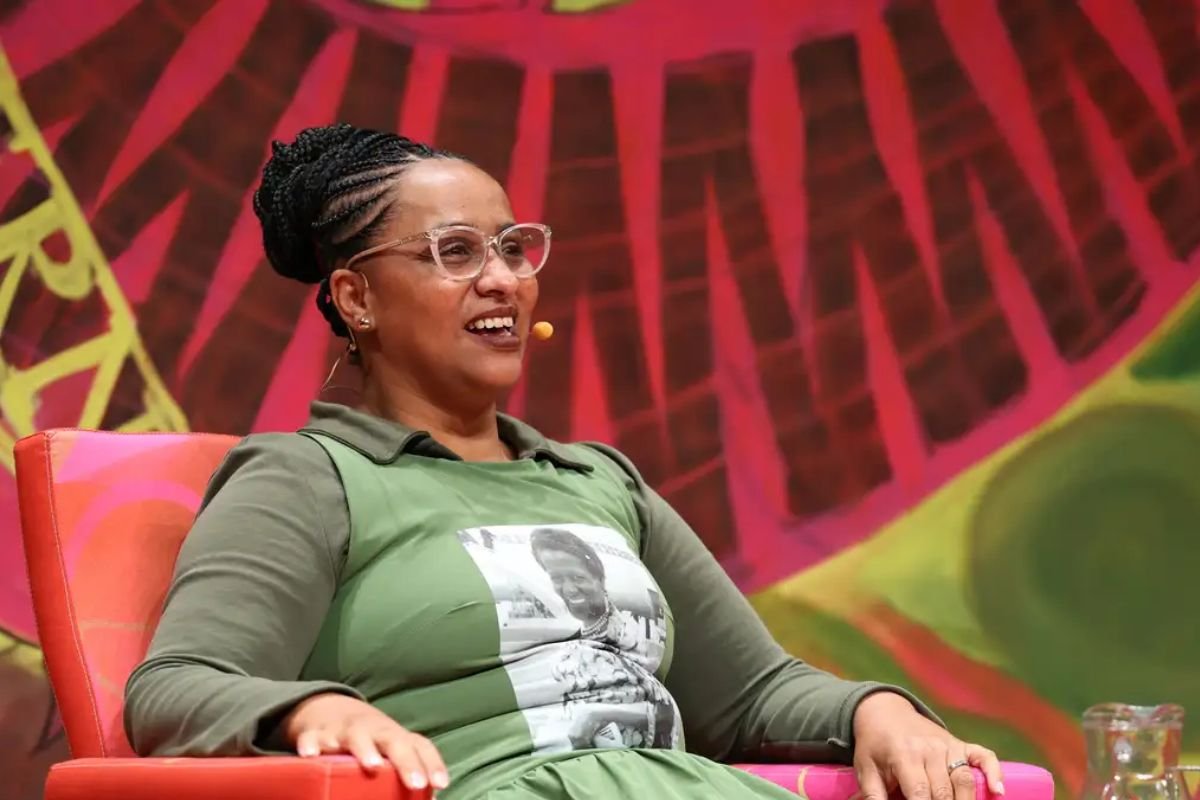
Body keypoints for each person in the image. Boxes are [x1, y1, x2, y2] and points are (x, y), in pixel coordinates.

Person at [124, 124, 1005, 800]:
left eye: (513, 247)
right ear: (357, 299)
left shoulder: (598, 481)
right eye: (455, 252)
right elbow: (176, 687)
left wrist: (874, 709)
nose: (503, 279)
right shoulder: (309, 477)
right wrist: (314, 710)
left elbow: (753, 695)